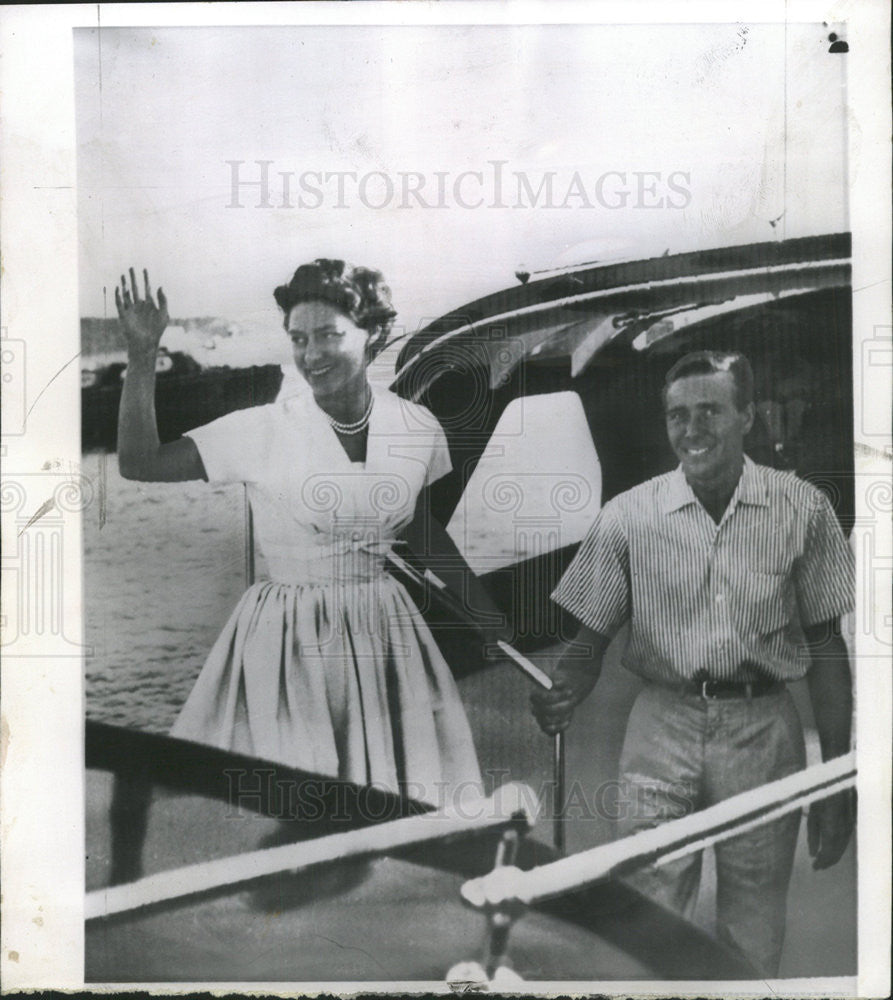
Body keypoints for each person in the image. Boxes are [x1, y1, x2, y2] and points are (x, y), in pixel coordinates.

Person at [531, 350, 855, 977]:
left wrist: (834, 783)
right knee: (647, 917)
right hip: (661, 726)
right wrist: (561, 690)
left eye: (710, 410)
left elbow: (826, 650)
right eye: (678, 415)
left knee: (753, 927)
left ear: (748, 417)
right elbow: (586, 645)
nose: (692, 428)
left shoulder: (804, 509)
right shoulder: (627, 516)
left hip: (765, 731)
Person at [114, 261, 482, 806]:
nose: (311, 355)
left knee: (398, 795)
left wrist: (488, 614)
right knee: (296, 799)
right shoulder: (262, 428)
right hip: (289, 636)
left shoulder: (417, 428)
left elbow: (421, 532)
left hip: (387, 630)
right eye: (299, 339)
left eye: (329, 335)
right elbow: (139, 462)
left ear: (373, 334)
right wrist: (143, 354)